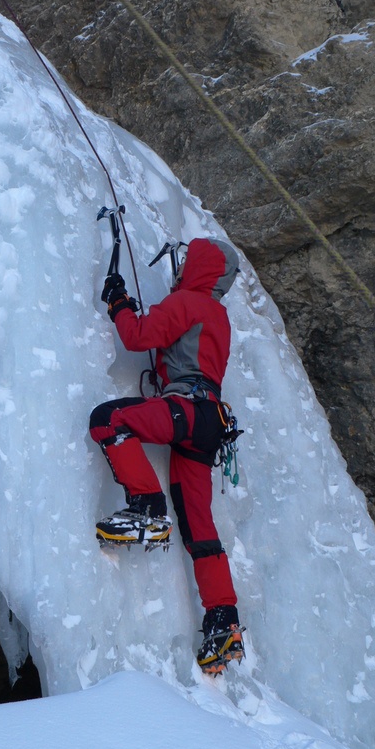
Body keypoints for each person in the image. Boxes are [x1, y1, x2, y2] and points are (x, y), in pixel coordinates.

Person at [89, 236, 244, 674]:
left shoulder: (189, 303)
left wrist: (119, 301)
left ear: (196, 270)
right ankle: (223, 620)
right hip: (208, 423)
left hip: (187, 411)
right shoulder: (218, 314)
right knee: (199, 525)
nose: (178, 273)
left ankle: (147, 508)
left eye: (185, 265)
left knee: (108, 420)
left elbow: (138, 336)